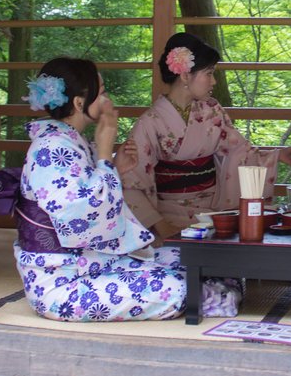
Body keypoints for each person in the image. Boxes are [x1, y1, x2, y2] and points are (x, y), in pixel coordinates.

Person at [15, 57, 190, 321]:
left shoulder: (71, 143)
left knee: (188, 260)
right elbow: (85, 215)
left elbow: (89, 195)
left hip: (92, 264)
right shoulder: (51, 149)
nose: (109, 101)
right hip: (63, 282)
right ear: (78, 103)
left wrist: (114, 168)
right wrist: (106, 151)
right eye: (104, 92)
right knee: (177, 288)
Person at [122, 32, 291, 244]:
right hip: (169, 218)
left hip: (215, 216)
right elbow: (131, 181)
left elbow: (239, 152)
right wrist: (161, 226)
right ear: (185, 75)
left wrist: (279, 156)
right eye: (209, 73)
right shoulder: (150, 122)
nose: (214, 81)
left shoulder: (212, 110)